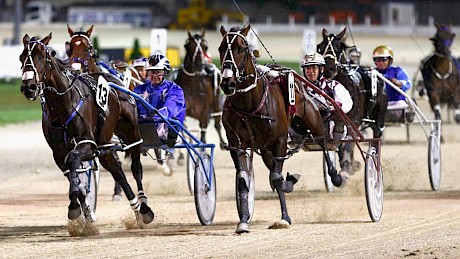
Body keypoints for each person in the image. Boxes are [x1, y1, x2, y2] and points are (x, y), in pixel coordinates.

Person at [134, 54, 186, 147]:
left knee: (169, 121)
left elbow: (170, 107)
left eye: (158, 72)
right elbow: (136, 106)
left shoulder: (174, 89)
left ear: (165, 72)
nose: (154, 76)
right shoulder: (140, 89)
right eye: (151, 72)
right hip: (145, 126)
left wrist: (157, 116)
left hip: (166, 124)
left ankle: (172, 135)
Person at [301, 52, 353, 141]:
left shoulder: (333, 86)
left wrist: (334, 106)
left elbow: (347, 103)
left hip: (331, 129)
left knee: (338, 118)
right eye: (308, 68)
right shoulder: (300, 89)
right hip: (306, 128)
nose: (311, 72)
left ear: (321, 69)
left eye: (314, 68)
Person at [373, 45, 412, 121]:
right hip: (378, 106)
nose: (380, 63)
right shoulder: (372, 72)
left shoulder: (397, 71)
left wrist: (399, 83)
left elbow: (408, 83)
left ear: (390, 60)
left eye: (383, 60)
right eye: (377, 60)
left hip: (396, 105)